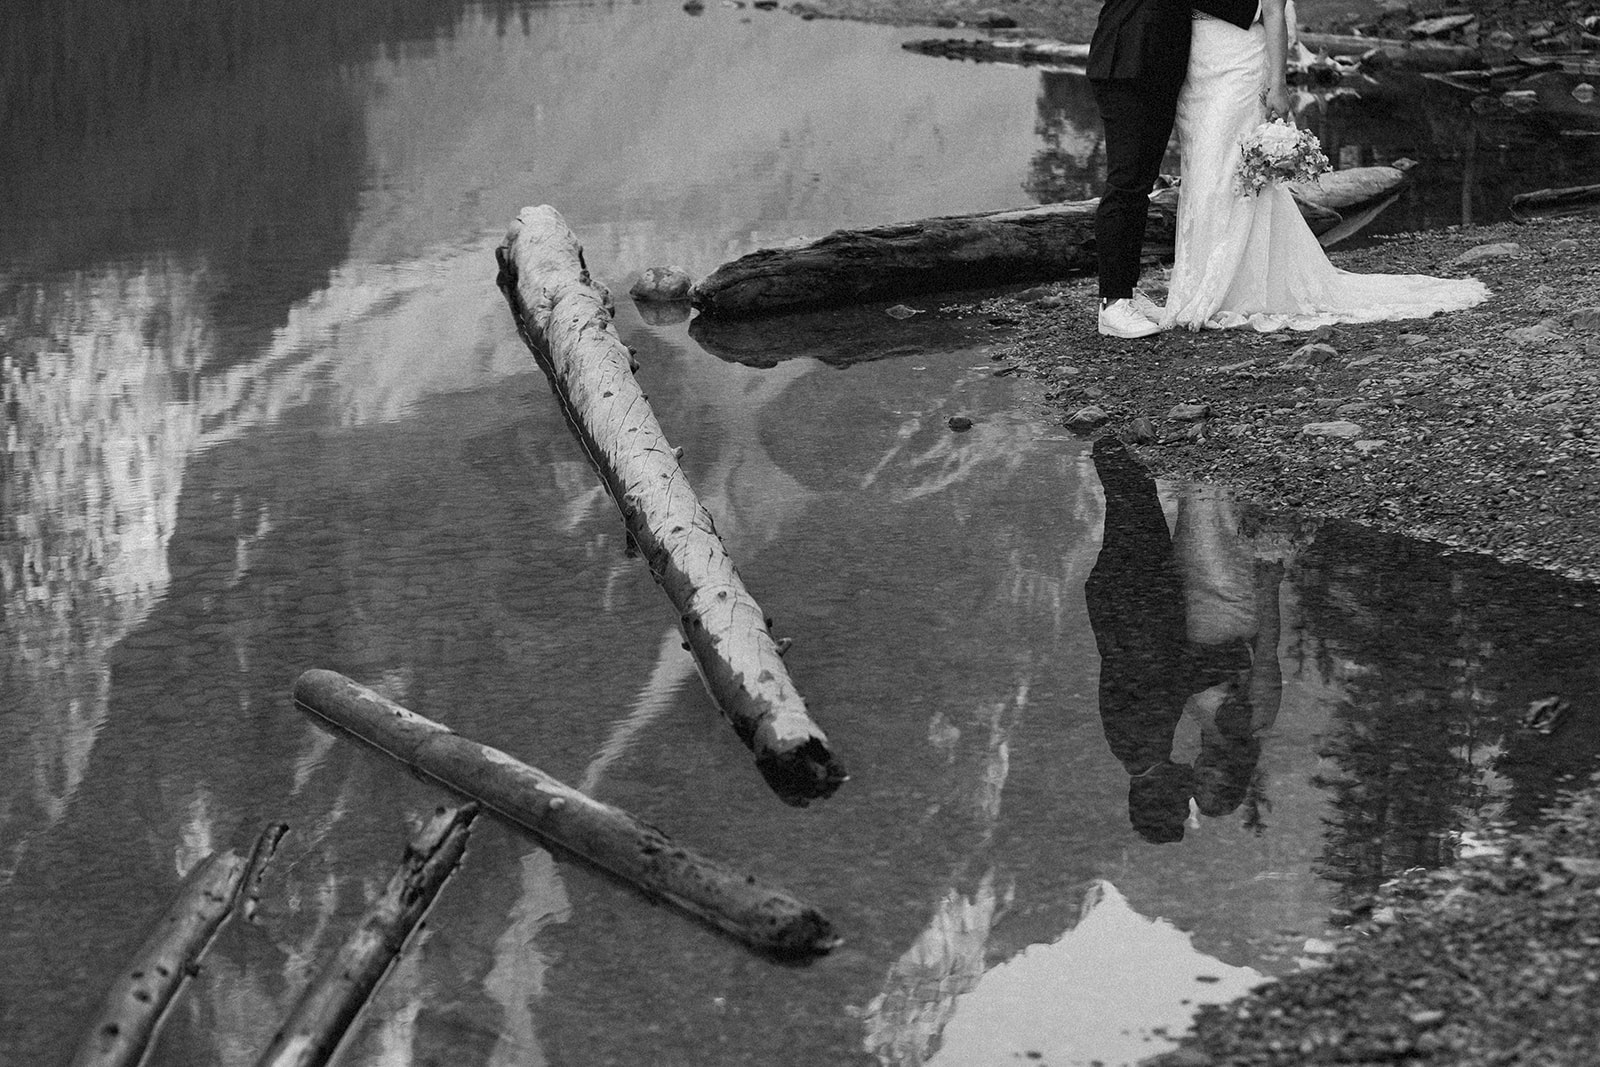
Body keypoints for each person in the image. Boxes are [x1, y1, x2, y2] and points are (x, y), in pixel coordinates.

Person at [1160, 0, 1489, 331]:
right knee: (1202, 170)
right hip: (1195, 65)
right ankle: (1196, 281)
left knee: (1230, 171)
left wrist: (1279, 83)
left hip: (1238, 63)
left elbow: (1274, 11)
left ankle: (1232, 287)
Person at [1087, 0, 1193, 339]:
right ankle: (1112, 303)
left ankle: (1126, 290)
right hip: (1126, 62)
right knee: (1126, 183)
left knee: (1140, 184)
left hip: (1156, 66)